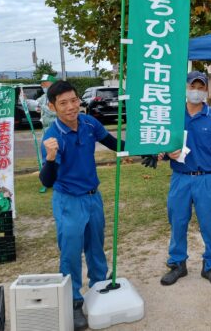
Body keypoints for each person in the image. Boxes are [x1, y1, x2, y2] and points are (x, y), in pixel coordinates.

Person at [38, 80, 156, 330]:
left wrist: (143, 150)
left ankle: (99, 288)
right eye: (63, 103)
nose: (71, 107)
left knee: (96, 247)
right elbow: (47, 181)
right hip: (69, 200)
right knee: (70, 253)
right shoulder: (52, 137)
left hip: (93, 197)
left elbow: (115, 145)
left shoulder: (90, 123)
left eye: (73, 100)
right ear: (52, 106)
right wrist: (49, 157)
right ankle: (73, 301)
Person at [158, 72, 211, 287]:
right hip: (180, 178)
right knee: (177, 222)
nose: (196, 91)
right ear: (185, 88)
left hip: (207, 179)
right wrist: (165, 153)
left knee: (210, 224)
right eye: (192, 86)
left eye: (201, 87)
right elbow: (162, 144)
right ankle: (177, 264)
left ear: (206, 90)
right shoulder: (174, 115)